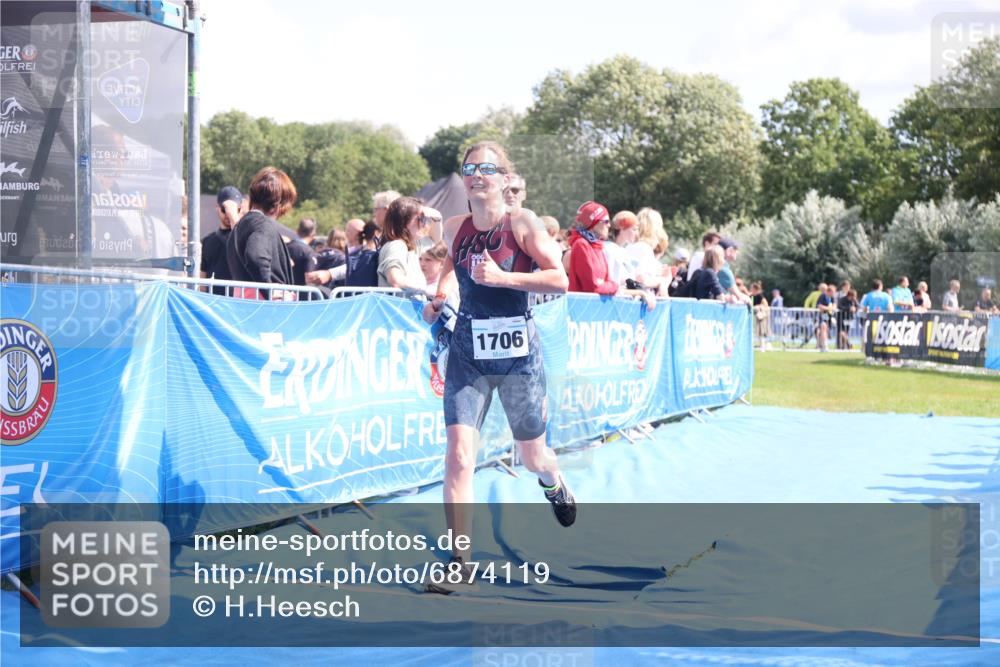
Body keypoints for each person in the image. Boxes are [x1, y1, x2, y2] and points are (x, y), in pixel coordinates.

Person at [420, 141, 575, 592]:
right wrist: (441, 294)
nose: (475, 173)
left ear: (505, 179)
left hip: (518, 356)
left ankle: (553, 479)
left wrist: (506, 278)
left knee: (532, 456)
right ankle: (459, 562)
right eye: (469, 167)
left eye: (486, 167)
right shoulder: (455, 226)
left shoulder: (522, 224)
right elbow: (451, 263)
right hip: (469, 351)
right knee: (459, 457)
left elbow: (560, 279)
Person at [226, 167, 298, 300]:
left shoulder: (240, 226)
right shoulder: (262, 225)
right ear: (279, 203)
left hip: (247, 304)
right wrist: (270, 292)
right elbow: (255, 257)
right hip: (266, 308)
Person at [378, 196, 431, 293]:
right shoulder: (397, 245)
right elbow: (395, 279)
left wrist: (437, 217)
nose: (424, 224)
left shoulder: (407, 246)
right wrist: (426, 290)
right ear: (405, 222)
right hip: (399, 307)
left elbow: (435, 238)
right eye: (421, 219)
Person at [200, 186, 245, 295]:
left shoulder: (246, 238)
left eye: (235, 209)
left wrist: (233, 217)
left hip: (238, 302)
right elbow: (203, 278)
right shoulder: (207, 241)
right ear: (218, 208)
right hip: (214, 303)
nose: (228, 214)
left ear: (241, 210)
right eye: (224, 210)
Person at [567, 201, 619, 296]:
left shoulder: (598, 246)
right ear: (593, 223)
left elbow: (609, 281)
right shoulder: (581, 244)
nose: (609, 225)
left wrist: (609, 284)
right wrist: (614, 286)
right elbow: (592, 288)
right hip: (582, 308)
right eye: (606, 221)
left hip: (596, 307)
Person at [718, 238, 750, 304]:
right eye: (735, 249)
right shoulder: (723, 270)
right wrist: (749, 300)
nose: (737, 252)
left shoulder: (718, 267)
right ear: (728, 251)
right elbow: (738, 295)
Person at [816, 283, 836, 351]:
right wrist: (828, 308)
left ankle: (823, 345)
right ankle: (824, 345)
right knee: (823, 327)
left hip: (829, 316)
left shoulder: (832, 297)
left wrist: (830, 308)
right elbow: (820, 306)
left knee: (826, 330)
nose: (834, 293)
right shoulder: (822, 296)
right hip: (823, 315)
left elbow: (834, 306)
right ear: (829, 291)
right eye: (833, 292)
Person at [750, 281, 770, 350]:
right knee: (758, 331)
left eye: (752, 288)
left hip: (761, 316)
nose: (751, 289)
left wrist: (758, 307)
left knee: (762, 331)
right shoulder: (752, 296)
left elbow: (765, 304)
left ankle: (764, 345)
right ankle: (761, 345)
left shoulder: (760, 296)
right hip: (755, 316)